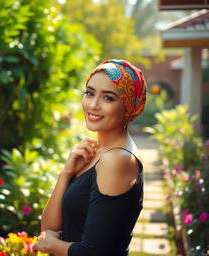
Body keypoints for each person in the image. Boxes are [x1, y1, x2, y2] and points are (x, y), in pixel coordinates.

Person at [33, 59, 147, 256]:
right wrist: (66, 174)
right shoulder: (97, 153)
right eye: (90, 93)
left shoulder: (117, 159)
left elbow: (93, 252)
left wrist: (51, 245)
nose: (93, 105)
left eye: (108, 98)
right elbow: (48, 227)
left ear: (128, 105)